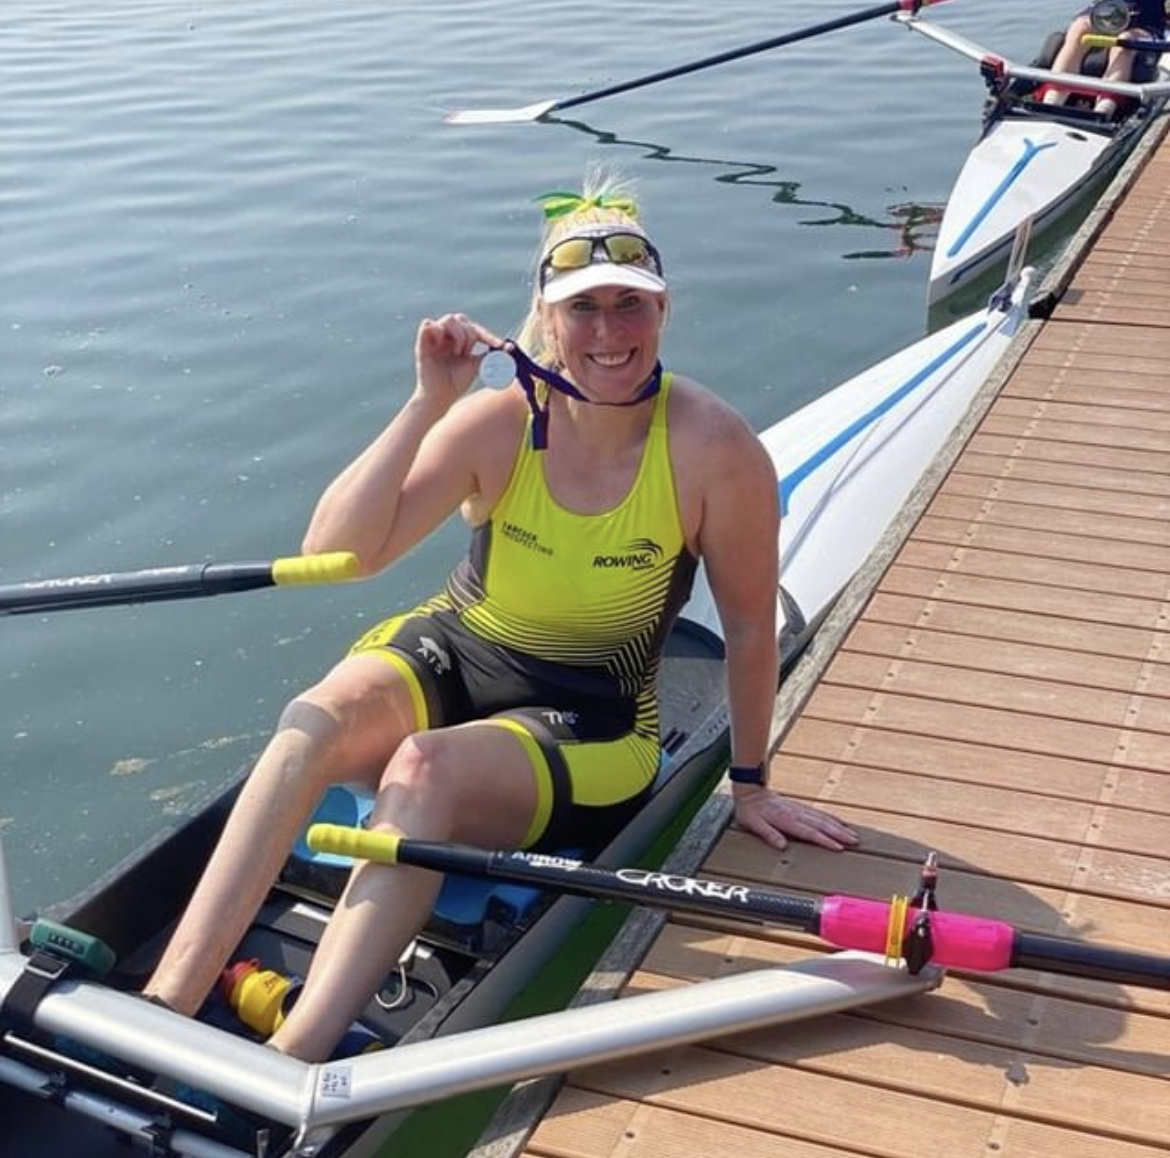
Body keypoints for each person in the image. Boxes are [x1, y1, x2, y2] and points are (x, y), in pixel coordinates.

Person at [143, 173, 859, 1062]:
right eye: (583, 308)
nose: (608, 333)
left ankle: (294, 1063)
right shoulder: (498, 422)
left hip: (594, 712)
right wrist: (425, 405)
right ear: (547, 318)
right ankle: (166, 1003)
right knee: (310, 721)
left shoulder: (716, 450)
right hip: (460, 645)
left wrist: (748, 784)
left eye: (629, 306)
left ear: (663, 312)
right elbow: (340, 554)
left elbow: (752, 627)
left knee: (424, 773)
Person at [1042, 0, 1165, 117]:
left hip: (1145, 20)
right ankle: (1052, 100)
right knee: (1080, 28)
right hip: (1107, 12)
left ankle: (1104, 109)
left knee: (1125, 41)